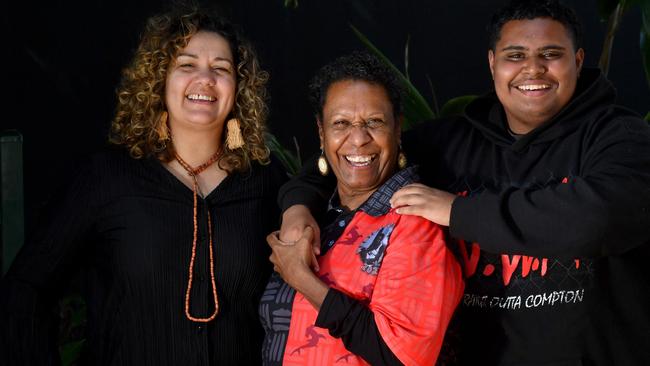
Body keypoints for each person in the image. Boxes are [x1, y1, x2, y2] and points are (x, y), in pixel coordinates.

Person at [276, 1, 650, 365]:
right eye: (515, 55)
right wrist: (297, 205)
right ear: (492, 64)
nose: (533, 69)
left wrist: (458, 211)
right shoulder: (453, 143)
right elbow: (357, 154)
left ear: (579, 61)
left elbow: (600, 217)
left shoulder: (621, 137)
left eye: (551, 53)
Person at [0, 5, 285, 365]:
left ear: (239, 88)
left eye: (221, 69)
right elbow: (25, 289)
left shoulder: (265, 180)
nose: (206, 79)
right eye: (187, 65)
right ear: (159, 80)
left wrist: (303, 203)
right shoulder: (106, 178)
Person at [260, 52, 464, 365]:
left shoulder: (414, 224)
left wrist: (301, 277)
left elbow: (400, 356)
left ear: (397, 130)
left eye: (374, 122)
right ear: (321, 132)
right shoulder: (320, 216)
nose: (358, 139)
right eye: (341, 123)